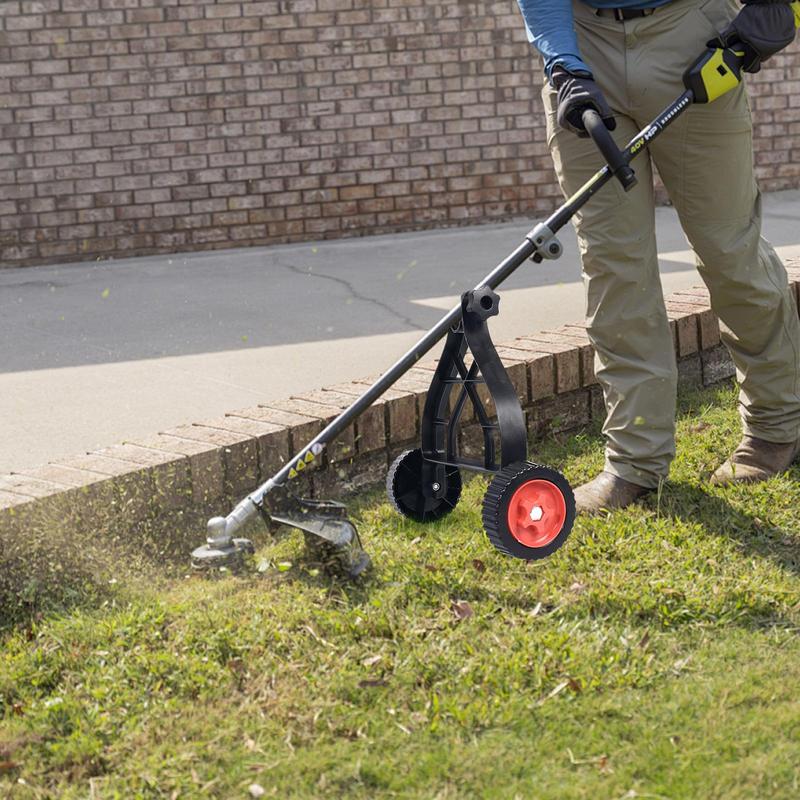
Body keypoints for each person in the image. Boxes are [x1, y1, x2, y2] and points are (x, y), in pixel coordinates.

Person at [516, 0, 800, 512]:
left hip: (689, 31)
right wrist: (564, 64)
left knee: (728, 248)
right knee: (613, 267)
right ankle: (634, 461)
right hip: (585, 49)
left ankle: (775, 425)